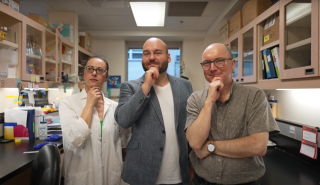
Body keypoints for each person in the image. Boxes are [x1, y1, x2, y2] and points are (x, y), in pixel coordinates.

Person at [185, 43, 280, 185]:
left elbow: (258, 146)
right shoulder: (195, 99)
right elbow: (195, 142)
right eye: (206, 63)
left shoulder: (254, 96)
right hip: (202, 181)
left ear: (233, 64)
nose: (212, 68)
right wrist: (209, 101)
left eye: (219, 61)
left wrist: (211, 147)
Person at [115, 37, 193, 185]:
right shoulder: (130, 87)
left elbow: (189, 127)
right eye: (146, 53)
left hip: (179, 172)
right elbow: (123, 121)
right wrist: (146, 86)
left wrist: (192, 162)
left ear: (168, 57)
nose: (151, 57)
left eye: (157, 52)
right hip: (142, 172)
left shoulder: (185, 86)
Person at [59, 56, 123, 185]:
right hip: (81, 177)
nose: (94, 73)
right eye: (90, 69)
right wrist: (89, 104)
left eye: (100, 70)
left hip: (110, 176)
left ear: (106, 77)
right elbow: (75, 140)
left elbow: (123, 141)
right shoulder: (68, 103)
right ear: (84, 73)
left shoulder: (115, 107)